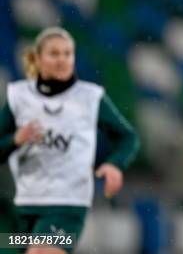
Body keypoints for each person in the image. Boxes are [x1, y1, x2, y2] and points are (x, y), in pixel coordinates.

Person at [0, 27, 140, 254]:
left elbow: (127, 137)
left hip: (66, 204)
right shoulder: (19, 98)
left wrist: (115, 164)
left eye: (68, 54)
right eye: (54, 54)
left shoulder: (89, 98)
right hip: (24, 204)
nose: (62, 60)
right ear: (37, 59)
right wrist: (15, 140)